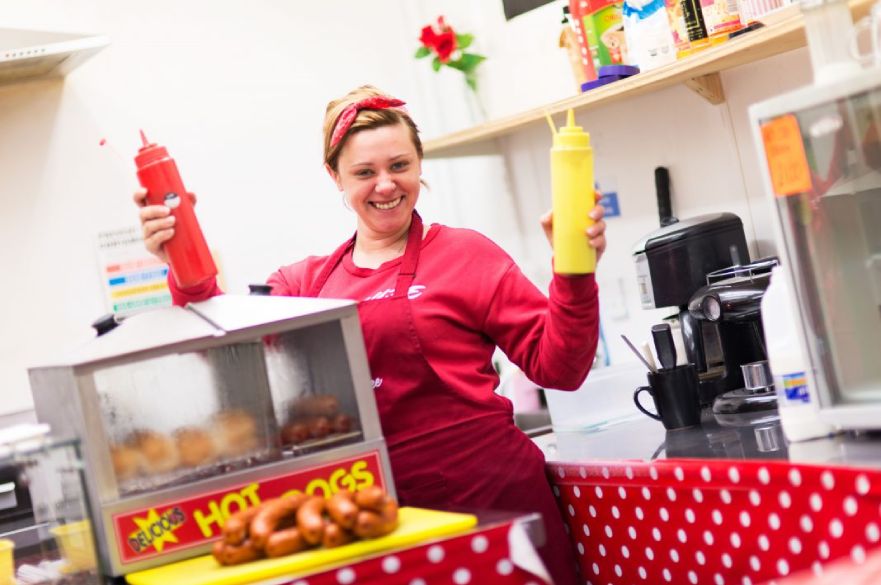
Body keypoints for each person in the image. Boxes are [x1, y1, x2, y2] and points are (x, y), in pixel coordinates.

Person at [135, 85, 606, 584]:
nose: (386, 185)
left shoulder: (469, 254)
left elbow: (561, 369)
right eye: (365, 172)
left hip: (495, 499)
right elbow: (226, 354)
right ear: (334, 176)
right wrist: (183, 267)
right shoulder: (305, 285)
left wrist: (573, 272)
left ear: (420, 163)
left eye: (399, 166)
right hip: (376, 520)